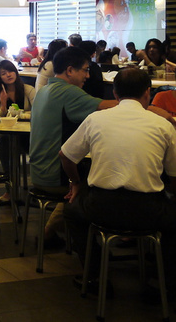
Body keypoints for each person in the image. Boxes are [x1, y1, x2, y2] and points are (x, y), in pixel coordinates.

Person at [61, 67, 176, 289]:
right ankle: (161, 284)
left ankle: (95, 275)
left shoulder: (95, 119)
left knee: (71, 212)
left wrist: (76, 183)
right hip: (148, 210)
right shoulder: (162, 125)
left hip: (100, 206)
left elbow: (66, 155)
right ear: (147, 93)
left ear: (115, 93)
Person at [29, 47, 119, 244]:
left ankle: (49, 233)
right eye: (85, 70)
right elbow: (109, 107)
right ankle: (100, 244)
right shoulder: (69, 92)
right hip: (56, 176)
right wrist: (146, 105)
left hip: (37, 172)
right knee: (105, 182)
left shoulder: (43, 91)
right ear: (70, 70)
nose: (88, 75)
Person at [0, 59, 36, 201]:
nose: (8, 75)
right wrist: (3, 104)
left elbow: (38, 111)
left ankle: (38, 186)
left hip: (29, 133)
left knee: (7, 142)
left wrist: (21, 114)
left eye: (11, 71)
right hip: (10, 133)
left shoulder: (28, 90)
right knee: (2, 139)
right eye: (3, 73)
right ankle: (10, 188)